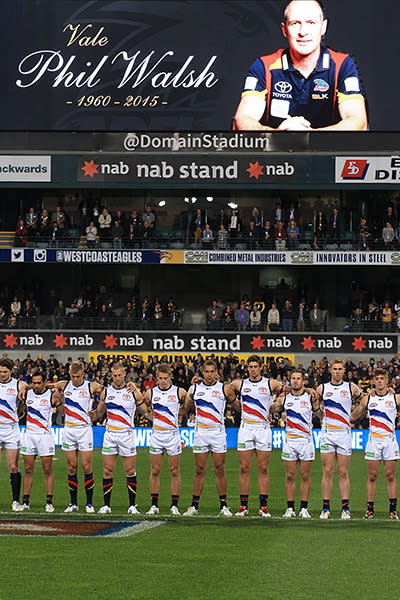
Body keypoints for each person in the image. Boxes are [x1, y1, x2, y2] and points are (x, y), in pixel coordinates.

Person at [233, 0, 367, 131]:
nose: (303, 32)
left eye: (311, 23)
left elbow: (358, 122)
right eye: (295, 23)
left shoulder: (342, 65)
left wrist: (309, 137)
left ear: (323, 27)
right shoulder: (264, 66)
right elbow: (242, 120)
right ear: (284, 30)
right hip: (278, 151)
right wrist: (279, 136)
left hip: (325, 151)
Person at [90, 362, 149, 515]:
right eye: (114, 375)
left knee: (130, 470)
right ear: (112, 375)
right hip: (110, 435)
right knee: (108, 471)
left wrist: (160, 417)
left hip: (127, 435)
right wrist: (91, 415)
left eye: (119, 375)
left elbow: (146, 412)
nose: (117, 378)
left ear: (124, 374)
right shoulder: (106, 392)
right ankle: (106, 505)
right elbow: (99, 412)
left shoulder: (133, 392)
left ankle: (132, 505)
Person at [183, 360, 237, 516]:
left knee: (220, 469)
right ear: (202, 372)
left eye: (212, 371)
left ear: (216, 373)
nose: (209, 374)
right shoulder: (194, 388)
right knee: (199, 470)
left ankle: (224, 506)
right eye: (206, 371)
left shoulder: (224, 389)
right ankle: (194, 506)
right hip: (201, 434)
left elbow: (237, 405)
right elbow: (185, 408)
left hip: (218, 434)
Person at [231, 355, 283, 518]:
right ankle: (243, 506)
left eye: (255, 366)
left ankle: (263, 506)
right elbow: (226, 392)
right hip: (246, 429)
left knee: (263, 469)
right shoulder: (240, 384)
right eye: (250, 367)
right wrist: (239, 407)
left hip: (263, 429)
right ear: (247, 368)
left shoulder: (270, 383)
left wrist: (273, 408)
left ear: (261, 367)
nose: (253, 369)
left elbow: (286, 393)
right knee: (244, 469)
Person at [50, 361, 103, 513]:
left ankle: (89, 503)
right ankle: (73, 503)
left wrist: (98, 412)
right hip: (68, 430)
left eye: (78, 376)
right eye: (73, 376)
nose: (75, 379)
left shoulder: (91, 386)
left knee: (86, 467)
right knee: (72, 468)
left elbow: (108, 394)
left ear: (83, 375)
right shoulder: (63, 385)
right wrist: (57, 400)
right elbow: (43, 387)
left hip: (84, 430)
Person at [316, 357, 363, 519]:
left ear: (344, 371)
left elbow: (365, 403)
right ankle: (325, 508)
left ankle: (345, 508)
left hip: (344, 434)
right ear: (330, 370)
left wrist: (352, 417)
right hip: (328, 434)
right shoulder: (322, 388)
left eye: (340, 369)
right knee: (327, 471)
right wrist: (321, 416)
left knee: (343, 472)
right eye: (334, 369)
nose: (337, 372)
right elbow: (316, 407)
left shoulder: (352, 388)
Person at [351, 368, 400, 520]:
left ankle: (393, 510)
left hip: (390, 441)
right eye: (377, 378)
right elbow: (354, 417)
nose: (379, 381)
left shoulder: (396, 398)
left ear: (387, 381)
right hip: (373, 441)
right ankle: (370, 510)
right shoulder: (367, 399)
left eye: (382, 378)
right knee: (372, 476)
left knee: (390, 476)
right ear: (373, 381)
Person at [271, 370, 320, 518]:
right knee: (290, 476)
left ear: (303, 381)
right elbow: (271, 408)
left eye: (298, 378)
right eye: (293, 378)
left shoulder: (310, 397)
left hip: (306, 441)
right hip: (290, 442)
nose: (296, 381)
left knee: (305, 476)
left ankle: (304, 508)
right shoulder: (284, 399)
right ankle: (290, 508)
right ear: (290, 380)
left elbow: (320, 413)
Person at [144, 364, 188, 516]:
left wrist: (179, 415)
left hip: (172, 436)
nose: (162, 381)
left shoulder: (179, 392)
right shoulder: (150, 393)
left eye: (165, 378)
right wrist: (152, 417)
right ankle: (154, 504)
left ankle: (174, 505)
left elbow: (188, 406)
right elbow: (144, 408)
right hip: (157, 436)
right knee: (155, 470)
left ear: (170, 377)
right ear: (156, 378)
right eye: (160, 378)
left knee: (174, 471)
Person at [19, 371, 64, 512]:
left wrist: (59, 400)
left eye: (39, 383)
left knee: (47, 470)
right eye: (34, 383)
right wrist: (24, 389)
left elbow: (63, 412)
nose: (36, 385)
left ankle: (49, 502)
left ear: (45, 382)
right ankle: (25, 502)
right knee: (27, 470)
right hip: (29, 435)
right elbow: (21, 407)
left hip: (45, 436)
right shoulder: (28, 394)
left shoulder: (51, 395)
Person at [0, 358, 26, 510]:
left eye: (5, 371)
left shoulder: (18, 384)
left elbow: (26, 389)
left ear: (11, 371)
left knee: (13, 466)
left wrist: (17, 413)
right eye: (0, 372)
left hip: (11, 430)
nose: (2, 374)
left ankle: (16, 501)